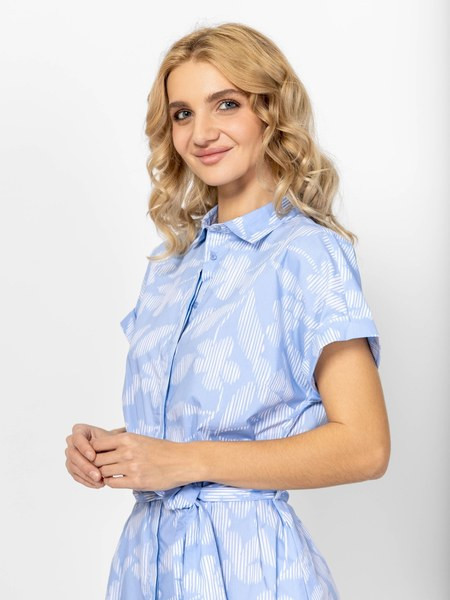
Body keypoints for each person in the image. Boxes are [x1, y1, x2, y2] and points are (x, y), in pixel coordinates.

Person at [65, 22, 390, 599]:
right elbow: (193, 429)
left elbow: (365, 446)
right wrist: (116, 449)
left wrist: (185, 461)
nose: (202, 132)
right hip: (144, 569)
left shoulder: (308, 254)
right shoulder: (170, 266)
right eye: (182, 113)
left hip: (247, 572)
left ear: (270, 111)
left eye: (226, 104)